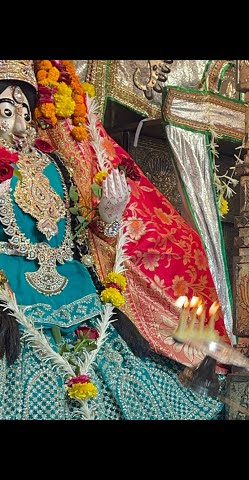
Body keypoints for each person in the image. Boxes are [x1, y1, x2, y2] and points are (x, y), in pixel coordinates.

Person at [0, 60, 225, 419]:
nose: (17, 125)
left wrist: (109, 215)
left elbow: (82, 239)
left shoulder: (55, 166)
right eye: (7, 111)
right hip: (11, 298)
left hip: (76, 292)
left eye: (25, 113)